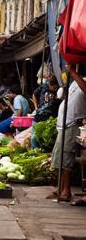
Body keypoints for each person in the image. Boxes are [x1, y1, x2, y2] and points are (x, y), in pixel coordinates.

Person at [48, 65, 86, 202]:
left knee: (66, 158)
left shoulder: (81, 81)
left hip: (72, 124)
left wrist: (73, 72)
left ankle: (66, 191)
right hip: (63, 125)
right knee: (59, 158)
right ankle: (60, 188)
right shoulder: (75, 83)